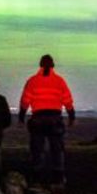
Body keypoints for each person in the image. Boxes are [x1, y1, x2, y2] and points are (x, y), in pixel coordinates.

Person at [18, 54, 75, 186]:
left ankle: (37, 178)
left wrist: (21, 117)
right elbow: (67, 100)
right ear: (53, 65)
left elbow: (25, 101)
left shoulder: (32, 81)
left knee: (37, 149)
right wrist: (72, 116)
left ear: (40, 65)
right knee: (57, 149)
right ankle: (58, 177)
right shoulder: (59, 81)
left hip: (38, 119)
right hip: (55, 119)